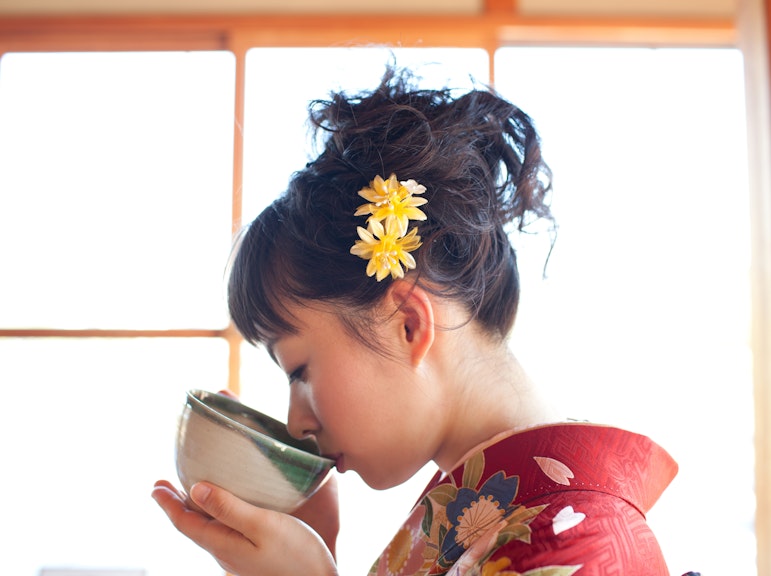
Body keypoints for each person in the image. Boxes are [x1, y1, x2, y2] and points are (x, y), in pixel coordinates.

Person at [152, 65, 680, 576]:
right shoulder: (480, 518)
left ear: (408, 324)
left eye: (300, 372)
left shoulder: (579, 540)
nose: (297, 424)